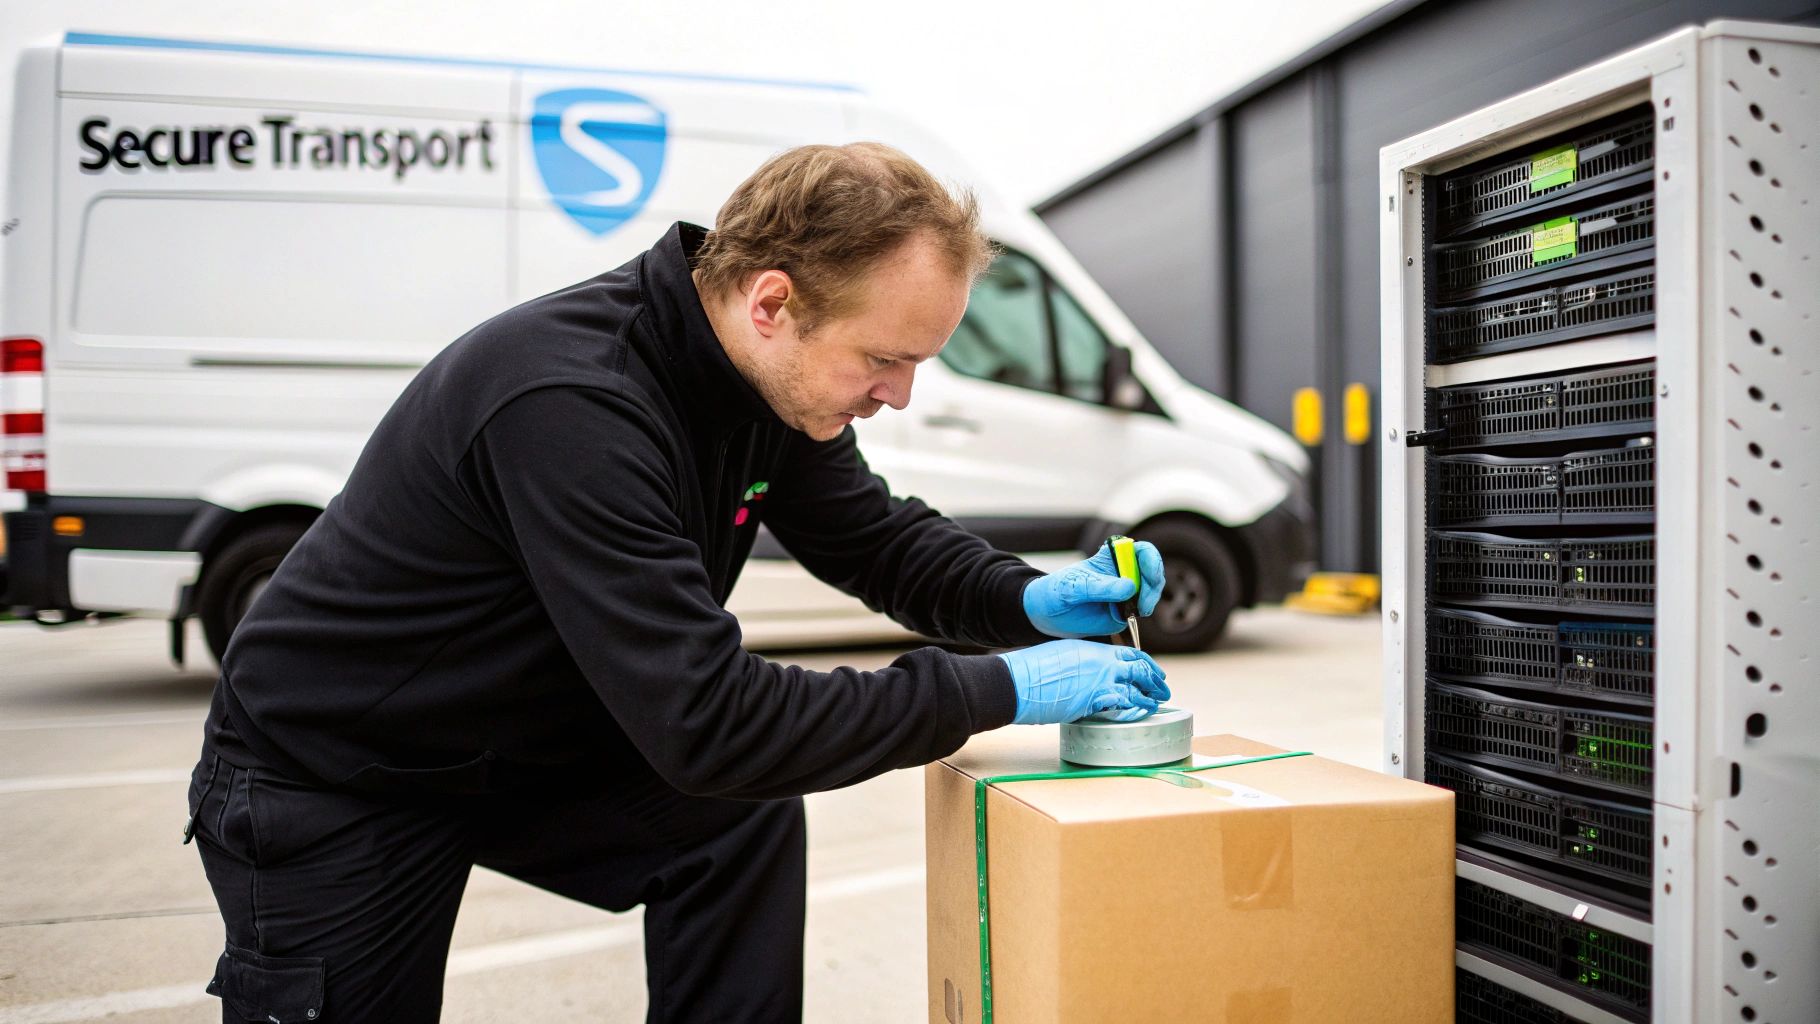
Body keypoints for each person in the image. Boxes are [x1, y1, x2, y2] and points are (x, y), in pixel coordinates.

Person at [184, 141, 1168, 1023]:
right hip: (339, 767)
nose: (898, 394)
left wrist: (1022, 598)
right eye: (883, 358)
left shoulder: (768, 387)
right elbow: (707, 719)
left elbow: (871, 539)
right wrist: (998, 686)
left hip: (511, 738)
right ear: (772, 301)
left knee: (736, 824)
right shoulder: (572, 402)